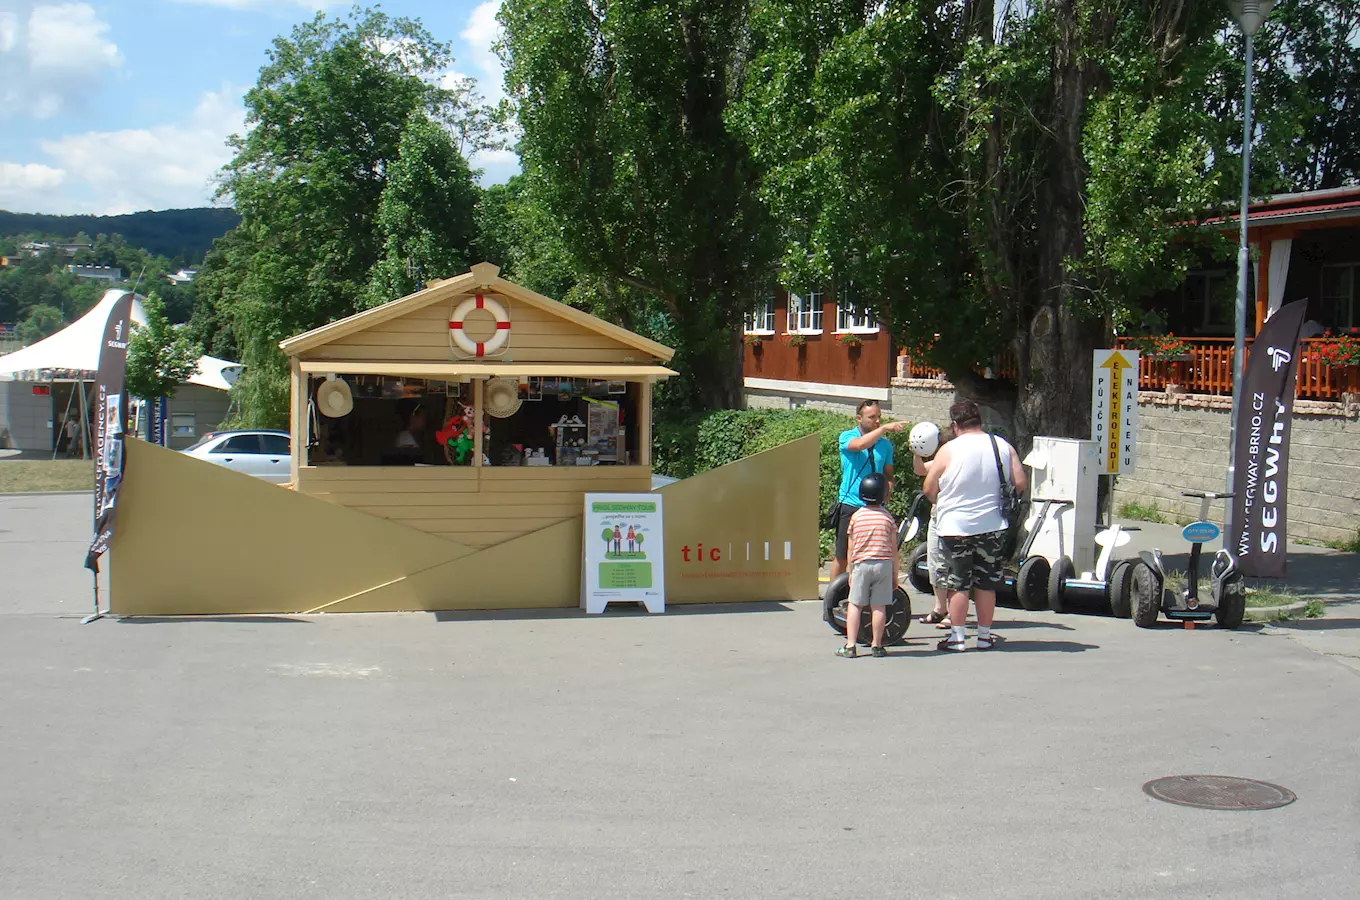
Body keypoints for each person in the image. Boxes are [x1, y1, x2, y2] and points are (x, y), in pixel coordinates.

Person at [923, 400, 1027, 652]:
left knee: (958, 583)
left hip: (954, 527)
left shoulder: (949, 449)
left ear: (956, 425)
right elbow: (1020, 482)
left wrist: (941, 499)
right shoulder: (1001, 446)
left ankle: (957, 638)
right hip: (992, 524)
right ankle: (984, 636)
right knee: (986, 583)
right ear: (979, 420)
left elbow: (928, 487)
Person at [830, 401, 903, 584]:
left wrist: (889, 487)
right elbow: (860, 445)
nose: (877, 421)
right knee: (843, 555)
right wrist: (885, 428)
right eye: (872, 417)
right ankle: (833, 598)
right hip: (851, 504)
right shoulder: (847, 436)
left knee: (874, 555)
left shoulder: (885, 446)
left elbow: (888, 474)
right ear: (858, 418)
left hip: (875, 508)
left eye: (879, 417)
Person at [836, 472, 899, 659]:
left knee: (855, 605)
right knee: (879, 606)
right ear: (883, 495)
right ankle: (877, 645)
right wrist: (895, 573)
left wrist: (851, 570)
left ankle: (850, 645)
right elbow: (894, 549)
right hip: (883, 564)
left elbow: (851, 546)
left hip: (861, 564)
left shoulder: (856, 517)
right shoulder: (888, 518)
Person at [912, 424, 955, 629]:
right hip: (937, 518)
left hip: (954, 519)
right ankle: (940, 609)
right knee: (935, 563)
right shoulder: (941, 460)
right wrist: (916, 451)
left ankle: (954, 613)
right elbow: (920, 470)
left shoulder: (959, 461)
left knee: (953, 566)